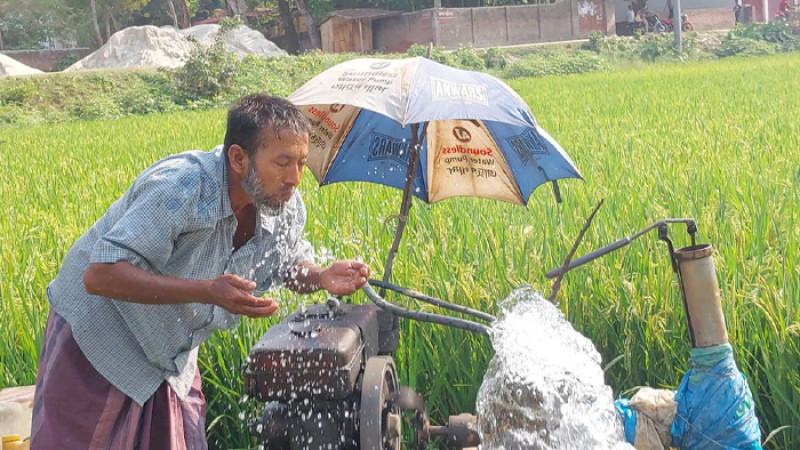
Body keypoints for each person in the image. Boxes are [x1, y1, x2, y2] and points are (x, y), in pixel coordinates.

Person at [30, 94, 371, 449]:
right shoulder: (181, 188)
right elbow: (100, 274)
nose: (294, 178)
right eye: (283, 163)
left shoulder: (282, 204)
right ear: (238, 158)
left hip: (169, 353)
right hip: (101, 337)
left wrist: (321, 276)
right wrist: (206, 291)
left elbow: (288, 264)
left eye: (301, 162)